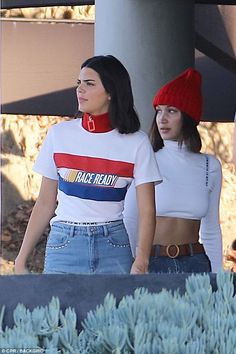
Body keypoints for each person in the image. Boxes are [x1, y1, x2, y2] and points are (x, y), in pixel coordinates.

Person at [14, 55, 162, 275]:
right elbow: (45, 203)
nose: (80, 89)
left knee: (115, 311)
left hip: (114, 244)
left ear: (111, 92)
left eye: (89, 83)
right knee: (58, 310)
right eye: (79, 83)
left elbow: (147, 210)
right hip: (64, 244)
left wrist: (142, 260)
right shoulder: (59, 135)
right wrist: (21, 258)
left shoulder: (137, 142)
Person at [124, 67, 223, 273]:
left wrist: (217, 276)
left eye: (171, 110)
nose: (162, 118)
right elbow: (131, 218)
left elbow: (211, 229)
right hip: (151, 263)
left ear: (188, 116)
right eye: (159, 110)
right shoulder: (144, 158)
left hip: (196, 264)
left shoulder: (209, 166)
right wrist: (135, 263)